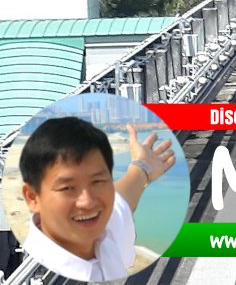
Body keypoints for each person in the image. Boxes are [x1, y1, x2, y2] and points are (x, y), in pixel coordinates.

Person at [18, 117, 176, 282]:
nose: (87, 202)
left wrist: (143, 166)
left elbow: (121, 201)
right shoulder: (50, 267)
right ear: (32, 197)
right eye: (67, 188)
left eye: (97, 181)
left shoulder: (101, 228)